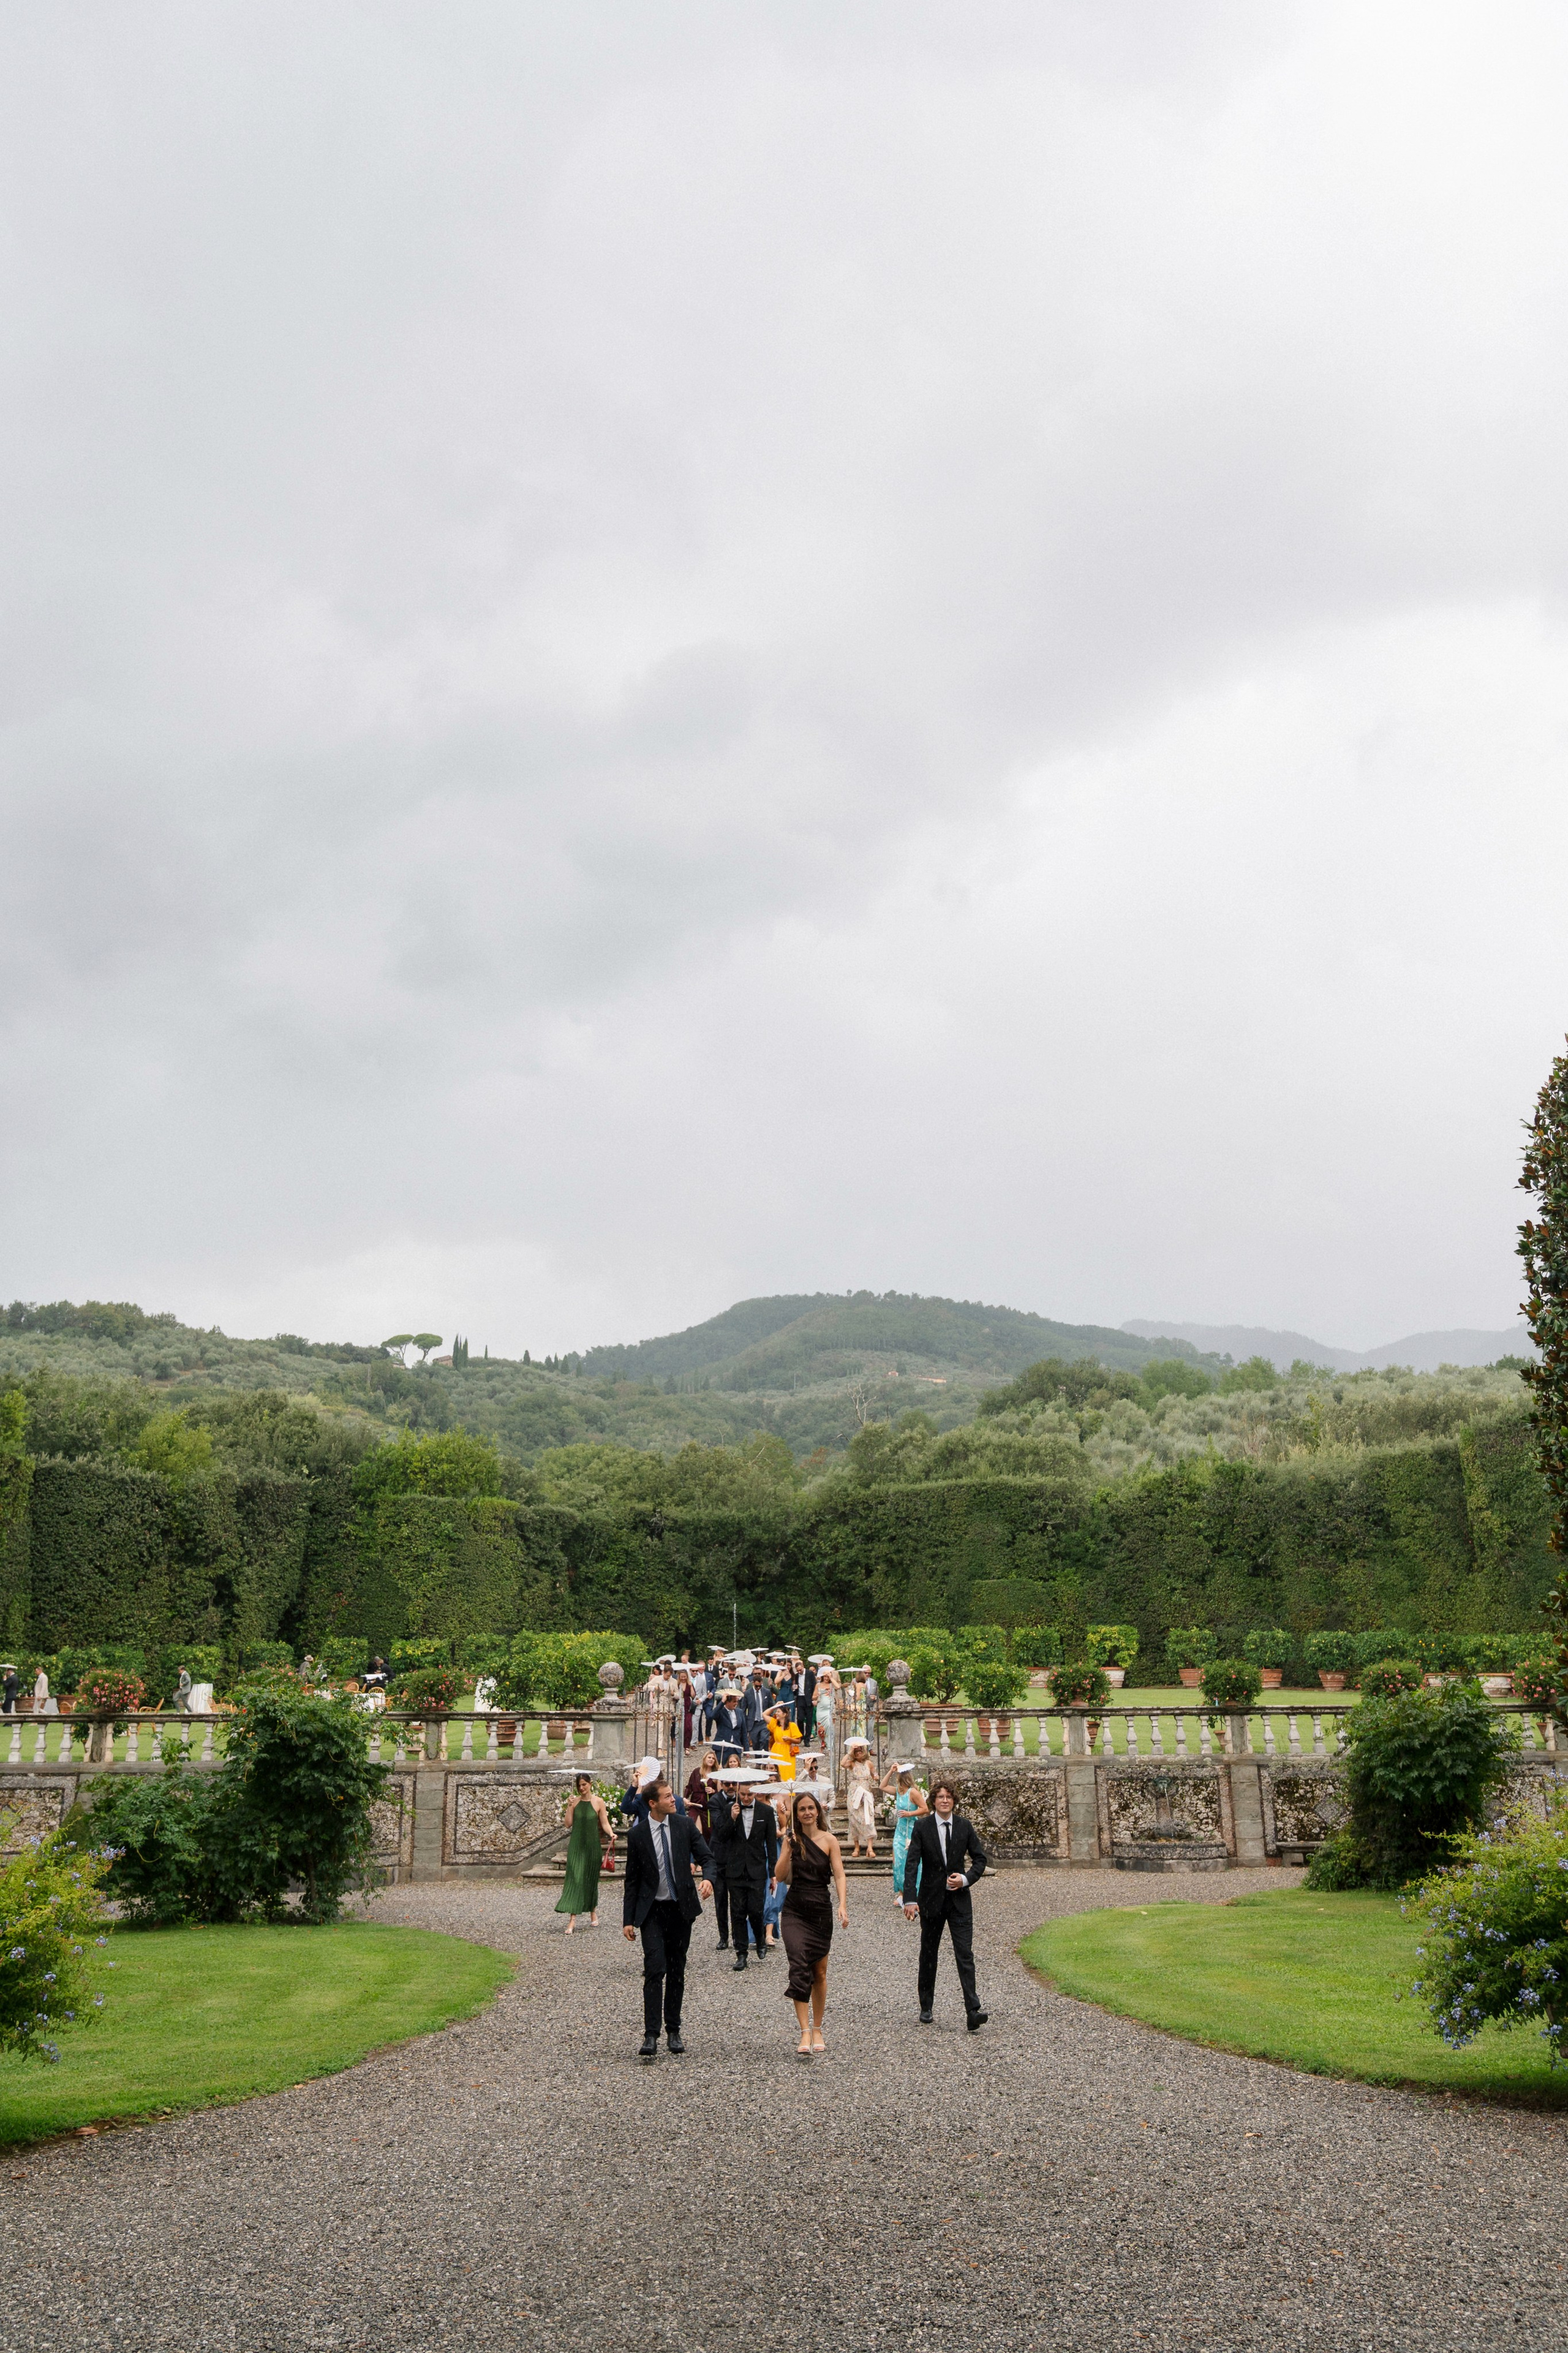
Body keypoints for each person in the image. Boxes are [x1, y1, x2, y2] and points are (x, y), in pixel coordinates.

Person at [622, 1775, 714, 2059]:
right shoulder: (637, 1835)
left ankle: (674, 2029)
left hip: (680, 1908)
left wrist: (708, 1879)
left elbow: (708, 1858)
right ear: (652, 1803)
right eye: (667, 1797)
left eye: (673, 1795)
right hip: (651, 1911)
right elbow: (632, 1881)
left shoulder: (684, 1825)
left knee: (676, 1969)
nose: (673, 1800)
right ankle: (651, 2034)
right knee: (655, 1968)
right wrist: (628, 1919)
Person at [902, 1775, 988, 2030]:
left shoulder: (964, 1826)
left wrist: (966, 1878)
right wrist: (909, 1898)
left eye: (949, 1797)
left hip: (959, 1901)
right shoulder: (923, 1827)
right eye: (940, 1797)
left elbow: (980, 1859)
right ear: (934, 1801)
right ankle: (926, 2005)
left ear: (954, 1801)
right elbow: (912, 1864)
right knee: (929, 1954)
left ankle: (973, 2010)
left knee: (965, 1955)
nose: (945, 1801)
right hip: (930, 1900)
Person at [774, 1788, 848, 2058]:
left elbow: (839, 1875)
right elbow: (780, 1876)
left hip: (820, 1909)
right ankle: (804, 2030)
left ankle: (818, 2027)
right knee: (798, 1964)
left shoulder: (829, 1840)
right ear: (797, 1814)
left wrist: (842, 1905)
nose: (807, 1812)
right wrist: (787, 1849)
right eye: (802, 1809)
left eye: (810, 1808)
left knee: (819, 1972)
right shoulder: (792, 1840)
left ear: (818, 1811)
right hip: (794, 1910)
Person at [712, 1771, 778, 1970]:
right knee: (738, 1913)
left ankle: (760, 1939)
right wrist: (732, 1819)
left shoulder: (766, 1813)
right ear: (738, 1793)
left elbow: (771, 1844)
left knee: (756, 1911)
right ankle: (741, 1954)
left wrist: (773, 1873)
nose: (746, 1798)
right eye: (743, 1795)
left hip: (757, 1869)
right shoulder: (728, 1809)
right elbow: (721, 1837)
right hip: (735, 1870)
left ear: (755, 1793)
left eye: (749, 1794)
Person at [556, 1771, 614, 1932]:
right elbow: (568, 1824)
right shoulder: (574, 1803)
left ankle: (593, 1912)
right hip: (576, 1846)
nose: (581, 1788)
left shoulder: (599, 1802)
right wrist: (568, 1806)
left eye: (584, 1785)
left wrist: (611, 1834)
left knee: (590, 1879)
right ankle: (572, 1920)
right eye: (579, 1785)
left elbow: (605, 1823)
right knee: (575, 1879)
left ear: (590, 1784)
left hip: (592, 1847)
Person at [884, 1761, 927, 1907]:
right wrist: (890, 1771)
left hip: (912, 1831)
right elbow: (882, 1787)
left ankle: (915, 1892)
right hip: (900, 1831)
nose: (898, 1778)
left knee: (912, 1861)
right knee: (898, 1861)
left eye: (898, 1776)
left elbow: (925, 1809)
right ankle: (902, 1894)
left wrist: (910, 1813)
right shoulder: (898, 1791)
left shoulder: (913, 1792)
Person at [843, 1736, 878, 1858]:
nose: (859, 1753)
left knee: (868, 1817)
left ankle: (870, 1847)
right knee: (854, 1819)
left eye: (860, 1751)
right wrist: (850, 1751)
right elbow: (843, 1764)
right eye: (856, 1752)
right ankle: (856, 1846)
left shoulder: (869, 1763)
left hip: (866, 1791)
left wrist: (876, 1777)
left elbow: (874, 1774)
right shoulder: (852, 1763)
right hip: (855, 1791)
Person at [684, 1747, 718, 1841]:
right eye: (709, 1757)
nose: (711, 1759)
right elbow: (689, 1787)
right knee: (697, 1831)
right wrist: (685, 1798)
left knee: (708, 1833)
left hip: (708, 1807)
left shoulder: (716, 1775)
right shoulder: (697, 1772)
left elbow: (720, 1792)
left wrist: (713, 1791)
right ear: (704, 1759)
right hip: (695, 1805)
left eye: (713, 1758)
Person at [766, 1704, 803, 1780]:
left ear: (784, 1714)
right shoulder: (775, 1724)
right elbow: (764, 1714)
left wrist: (790, 1739)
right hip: (776, 1750)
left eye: (778, 1712)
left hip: (787, 1752)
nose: (776, 1713)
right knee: (776, 1771)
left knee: (786, 1771)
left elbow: (799, 1740)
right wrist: (775, 1706)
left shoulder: (792, 1725)